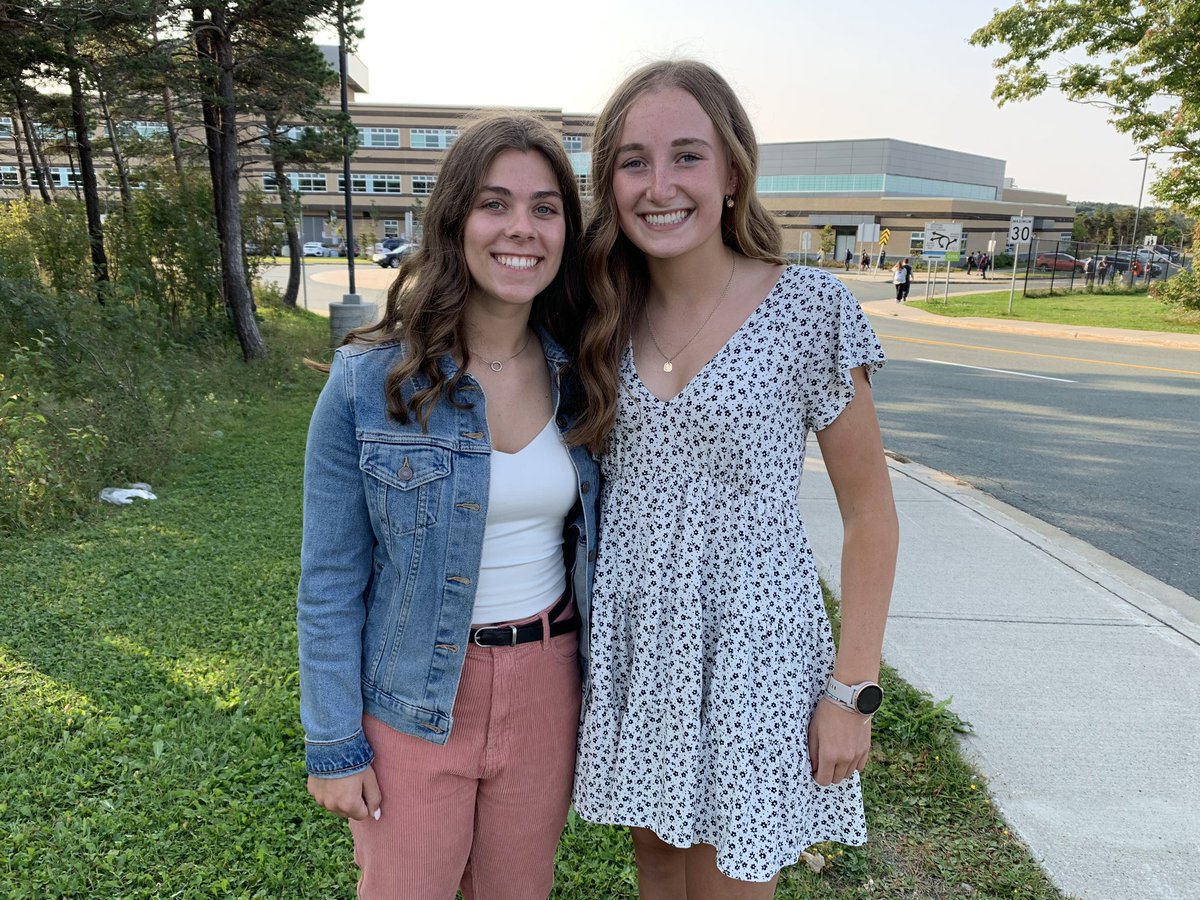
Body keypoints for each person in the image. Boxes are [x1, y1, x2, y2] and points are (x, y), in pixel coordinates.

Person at [571, 60, 899, 898]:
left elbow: (870, 514)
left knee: (729, 882)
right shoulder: (597, 314)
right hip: (643, 648)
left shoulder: (809, 309)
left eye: (687, 155)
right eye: (634, 161)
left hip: (756, 651)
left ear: (730, 173)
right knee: (658, 872)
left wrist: (851, 689)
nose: (660, 184)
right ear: (610, 182)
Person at [296, 113, 601, 900]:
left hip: (546, 684)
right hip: (413, 694)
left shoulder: (587, 374)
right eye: (495, 204)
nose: (520, 229)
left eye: (545, 208)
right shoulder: (367, 383)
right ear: (455, 217)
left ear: (566, 229)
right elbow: (329, 581)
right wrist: (334, 743)